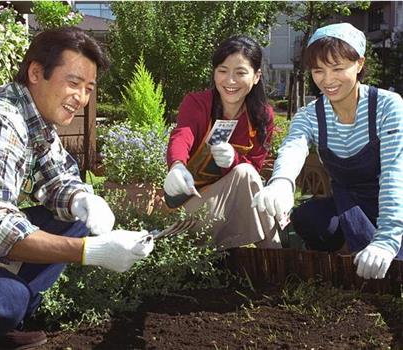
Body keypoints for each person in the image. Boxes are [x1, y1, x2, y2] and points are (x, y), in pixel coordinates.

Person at [0, 27, 154, 350]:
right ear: (36, 73)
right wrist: (89, 252)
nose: (81, 98)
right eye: (73, 83)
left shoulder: (36, 119)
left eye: (88, 88)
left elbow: (59, 179)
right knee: (4, 300)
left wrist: (82, 199)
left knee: (77, 219)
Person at [253, 23, 403, 280]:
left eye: (338, 68)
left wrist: (387, 239)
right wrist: (281, 182)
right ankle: (346, 255)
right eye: (318, 70)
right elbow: (293, 146)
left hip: (394, 199)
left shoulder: (388, 107)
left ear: (359, 64)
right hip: (350, 201)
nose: (328, 80)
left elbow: (394, 174)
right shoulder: (312, 114)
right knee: (308, 219)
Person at [163, 35, 281, 250]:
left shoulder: (262, 116)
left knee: (246, 172)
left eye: (240, 72)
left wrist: (233, 159)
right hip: (190, 208)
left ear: (256, 77)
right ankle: (275, 254)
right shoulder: (198, 104)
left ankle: (271, 257)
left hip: (229, 206)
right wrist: (177, 165)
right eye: (223, 71)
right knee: (246, 174)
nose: (230, 81)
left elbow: (253, 169)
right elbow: (182, 135)